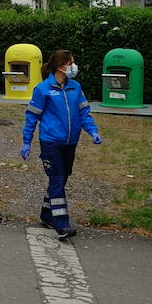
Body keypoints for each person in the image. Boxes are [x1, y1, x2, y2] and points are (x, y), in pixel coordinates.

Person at [21, 48, 102, 241]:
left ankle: (47, 215)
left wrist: (93, 131)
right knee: (57, 180)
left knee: (62, 179)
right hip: (50, 143)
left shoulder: (76, 87)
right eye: (70, 63)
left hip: (70, 143)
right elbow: (32, 116)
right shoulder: (42, 89)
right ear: (60, 67)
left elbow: (84, 112)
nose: (73, 66)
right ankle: (61, 224)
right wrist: (26, 141)